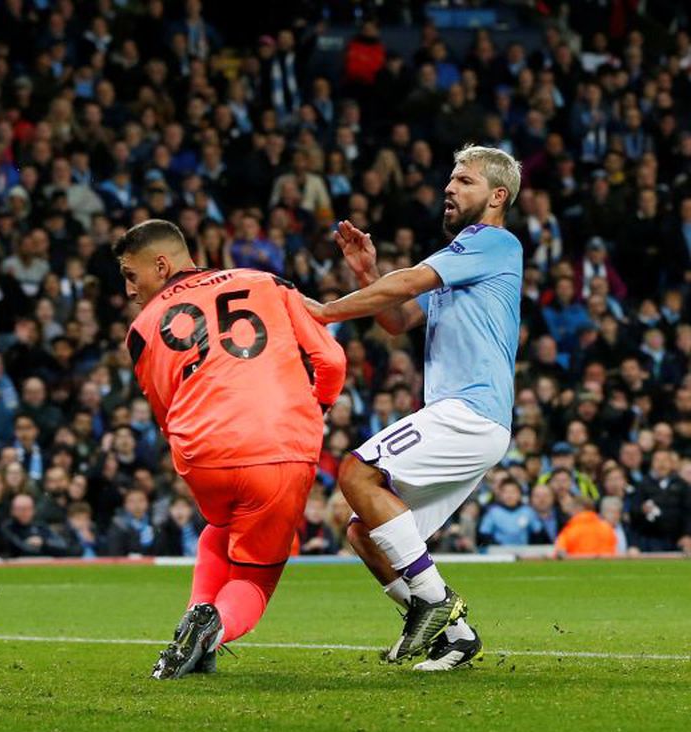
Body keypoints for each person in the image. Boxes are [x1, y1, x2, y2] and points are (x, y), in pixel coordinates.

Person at [305, 145, 523, 671]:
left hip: (469, 410)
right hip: (473, 419)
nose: (449, 188)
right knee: (363, 529)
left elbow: (406, 284)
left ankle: (436, 601)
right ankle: (455, 636)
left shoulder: (491, 242)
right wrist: (367, 272)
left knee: (357, 471)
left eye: (464, 181)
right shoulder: (466, 259)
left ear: (497, 196)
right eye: (450, 180)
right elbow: (400, 318)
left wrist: (325, 313)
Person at [116, 219, 345, 679]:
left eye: (130, 275)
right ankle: (212, 628)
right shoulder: (265, 282)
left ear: (161, 266)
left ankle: (196, 620)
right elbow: (331, 360)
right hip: (280, 447)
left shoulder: (140, 331)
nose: (128, 290)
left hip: (203, 457)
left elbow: (167, 414)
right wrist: (312, 407)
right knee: (255, 579)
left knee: (219, 529)